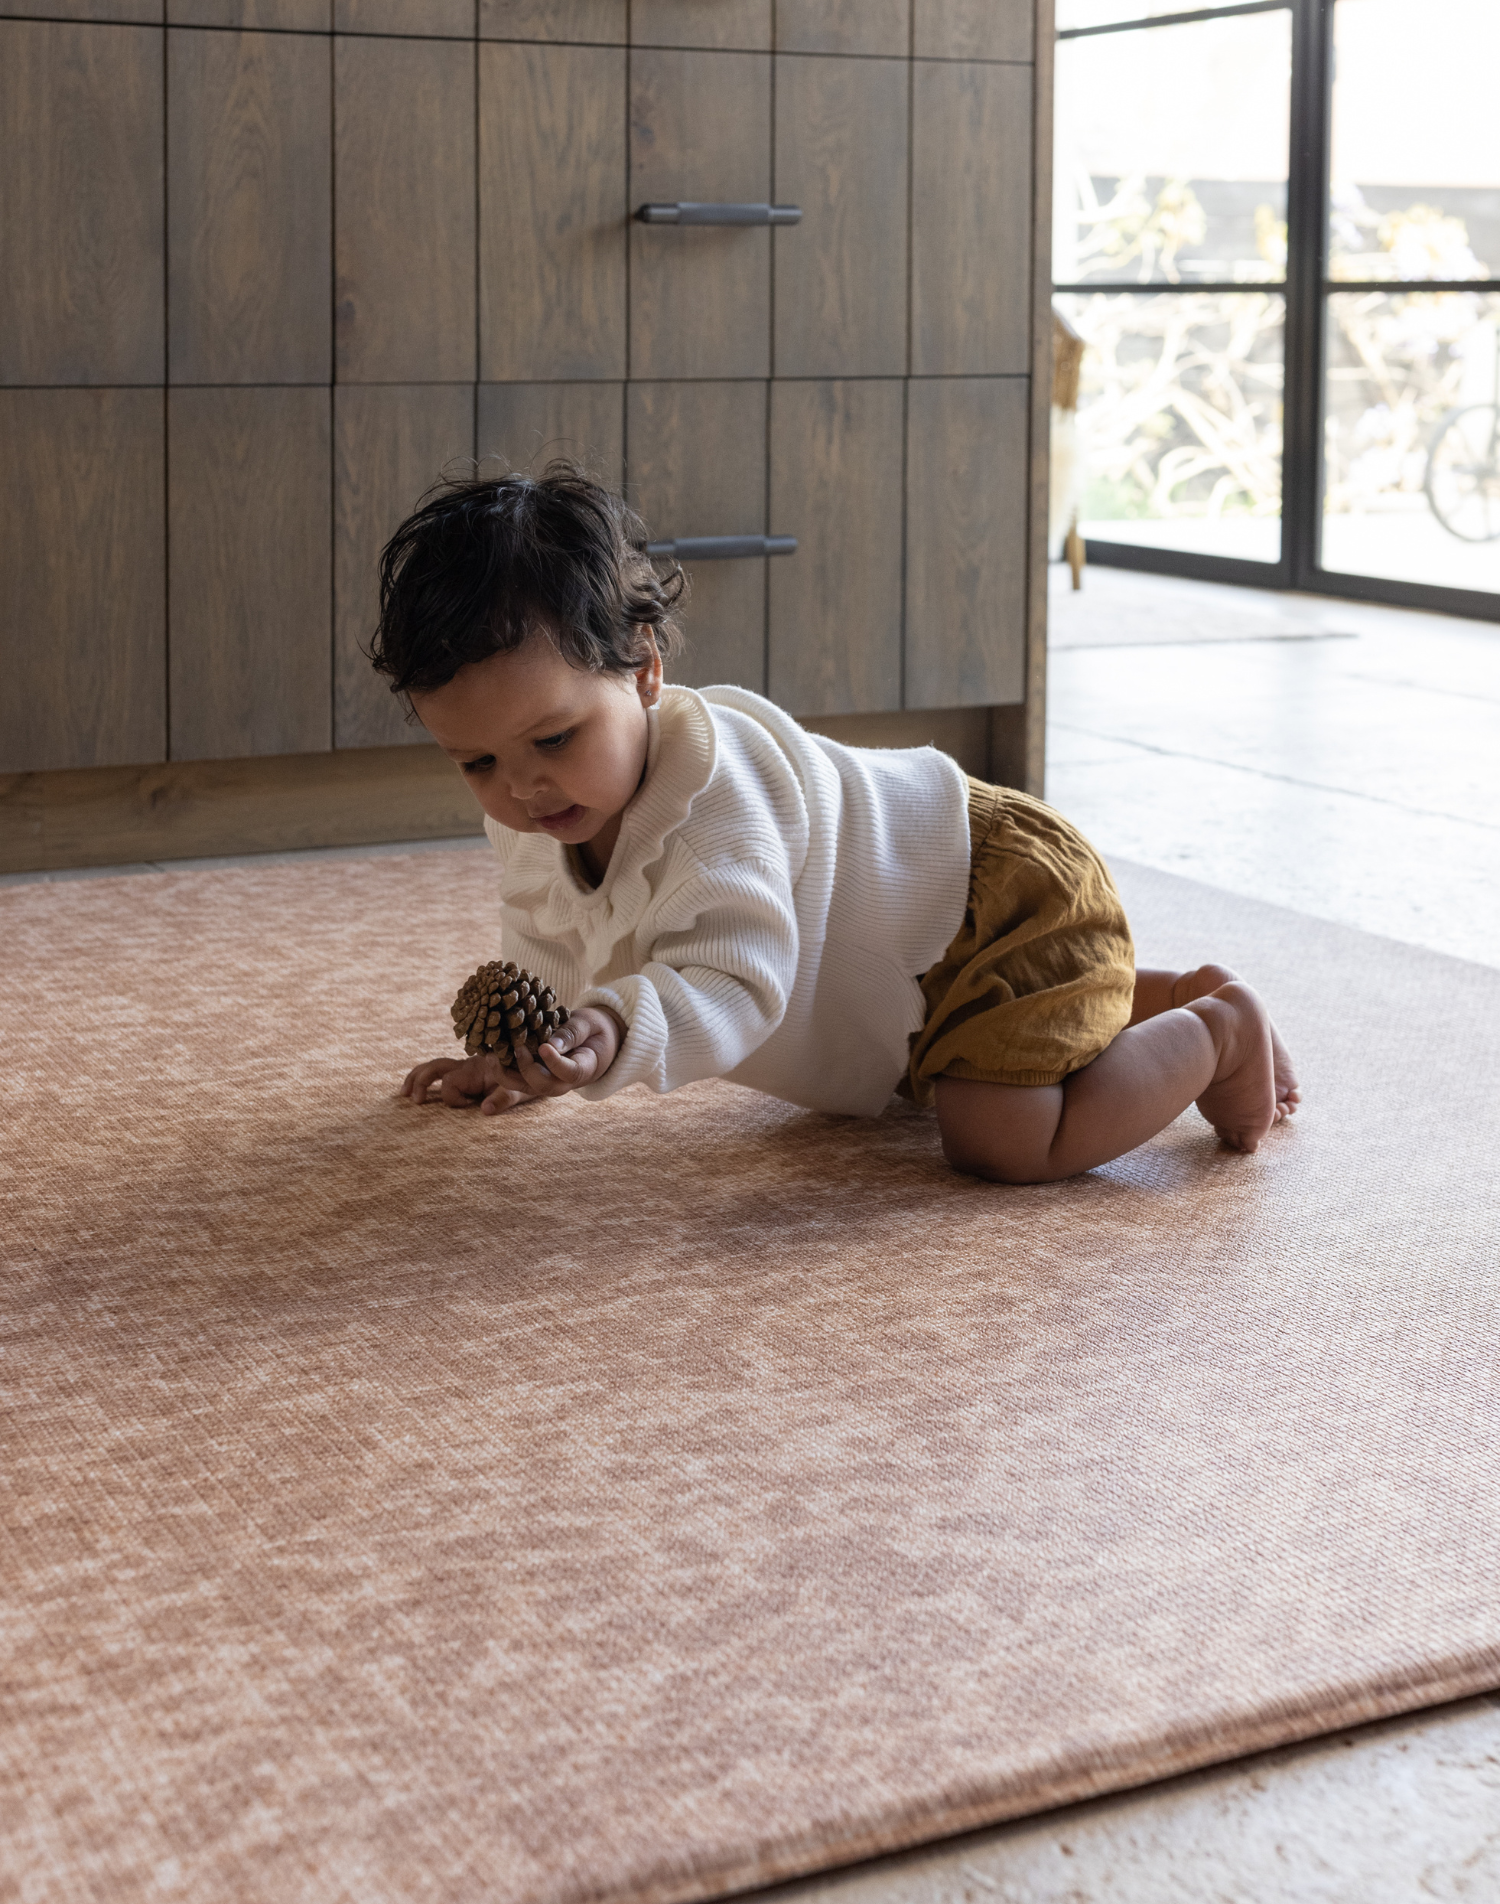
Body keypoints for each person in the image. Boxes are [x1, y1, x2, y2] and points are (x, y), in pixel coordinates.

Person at [378, 465, 1298, 1185]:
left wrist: (615, 1028)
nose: (523, 787)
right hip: (912, 967)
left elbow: (739, 984)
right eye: (478, 762)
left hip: (998, 899)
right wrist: (524, 1053)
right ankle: (1148, 992)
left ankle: (1216, 1029)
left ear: (644, 668)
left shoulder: (717, 803)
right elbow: (550, 934)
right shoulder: (546, 806)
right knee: (971, 1048)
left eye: (553, 737)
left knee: (1001, 1138)